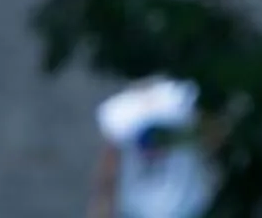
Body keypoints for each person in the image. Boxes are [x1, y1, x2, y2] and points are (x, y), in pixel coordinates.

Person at [87, 76, 216, 218]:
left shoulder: (178, 97)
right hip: (155, 208)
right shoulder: (178, 99)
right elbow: (109, 169)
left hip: (179, 207)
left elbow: (108, 171)